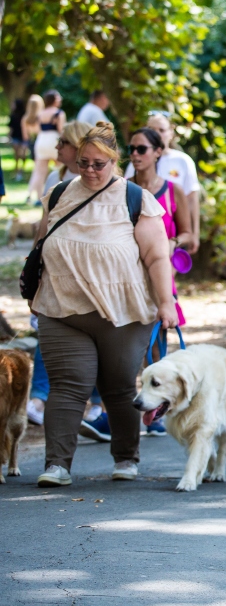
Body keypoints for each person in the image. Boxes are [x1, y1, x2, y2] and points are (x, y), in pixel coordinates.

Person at [32, 122, 177, 487]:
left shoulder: (135, 199)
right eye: (84, 162)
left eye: (99, 163)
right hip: (62, 308)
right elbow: (40, 246)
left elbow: (158, 258)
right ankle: (57, 465)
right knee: (68, 386)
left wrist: (166, 303)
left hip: (124, 312)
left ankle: (126, 458)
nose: (91, 171)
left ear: (115, 161)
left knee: (118, 387)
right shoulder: (59, 193)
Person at [128, 126, 194, 326]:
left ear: (158, 151)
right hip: (128, 271)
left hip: (160, 270)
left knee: (159, 333)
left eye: (141, 149)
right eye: (130, 149)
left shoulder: (173, 190)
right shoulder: (122, 188)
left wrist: (173, 242)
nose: (134, 154)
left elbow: (188, 233)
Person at [126, 112, 202, 253]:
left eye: (161, 130)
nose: (157, 134)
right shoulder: (135, 163)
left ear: (170, 132)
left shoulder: (182, 161)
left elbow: (192, 198)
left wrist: (194, 234)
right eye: (151, 129)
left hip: (170, 230)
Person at [29, 90, 65, 202]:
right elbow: (61, 130)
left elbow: (38, 129)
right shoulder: (59, 113)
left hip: (41, 141)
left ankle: (37, 197)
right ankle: (59, 195)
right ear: (53, 100)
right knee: (60, 169)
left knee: (39, 171)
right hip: (53, 141)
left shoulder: (40, 113)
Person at [44, 120, 90, 196]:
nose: (57, 147)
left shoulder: (96, 181)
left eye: (62, 142)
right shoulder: (54, 177)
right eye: (58, 141)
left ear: (78, 145)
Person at [9, 96, 28, 182]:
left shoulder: (25, 115)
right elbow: (11, 128)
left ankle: (21, 171)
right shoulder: (13, 115)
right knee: (17, 155)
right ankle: (17, 171)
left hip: (23, 137)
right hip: (16, 137)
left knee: (23, 155)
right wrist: (9, 137)